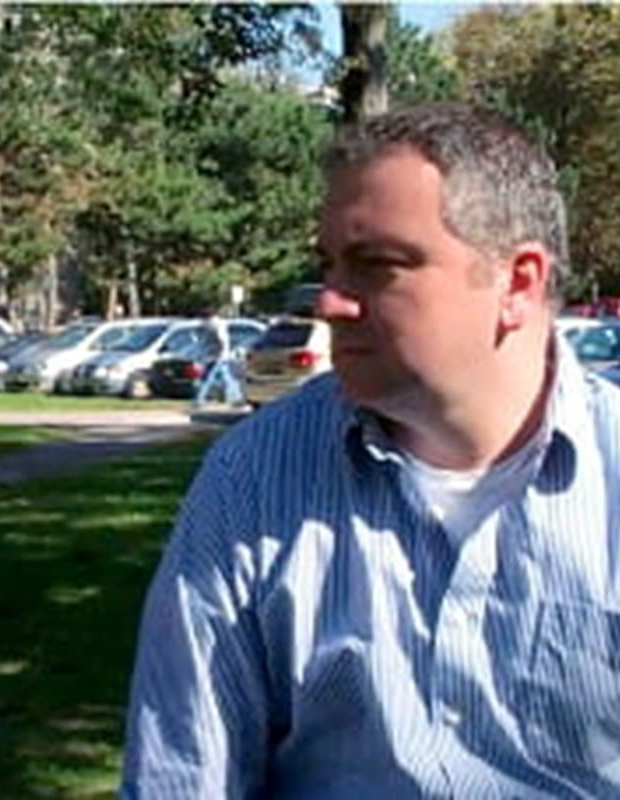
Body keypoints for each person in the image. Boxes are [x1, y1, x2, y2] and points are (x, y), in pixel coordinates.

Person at [120, 102, 620, 797]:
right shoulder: (254, 478)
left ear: (518, 282)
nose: (328, 303)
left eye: (377, 265)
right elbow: (181, 777)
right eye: (328, 264)